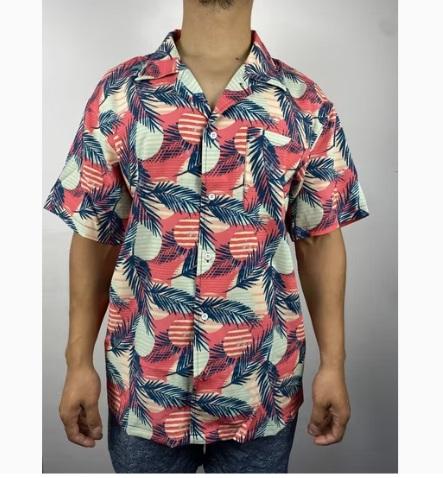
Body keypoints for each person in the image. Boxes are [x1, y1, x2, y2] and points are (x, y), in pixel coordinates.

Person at [43, 0, 370, 473]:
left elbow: (319, 238)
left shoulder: (304, 102)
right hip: (145, 387)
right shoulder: (121, 93)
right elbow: (95, 232)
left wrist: (334, 365)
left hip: (260, 387)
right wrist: (77, 363)